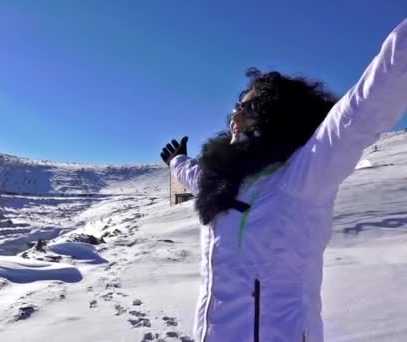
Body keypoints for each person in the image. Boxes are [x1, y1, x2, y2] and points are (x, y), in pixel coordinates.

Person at [160, 17, 407, 342]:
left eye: (251, 108)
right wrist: (176, 161)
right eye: (238, 106)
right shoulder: (225, 181)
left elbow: (360, 109)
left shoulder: (304, 175)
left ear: (280, 115)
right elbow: (197, 177)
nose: (236, 116)